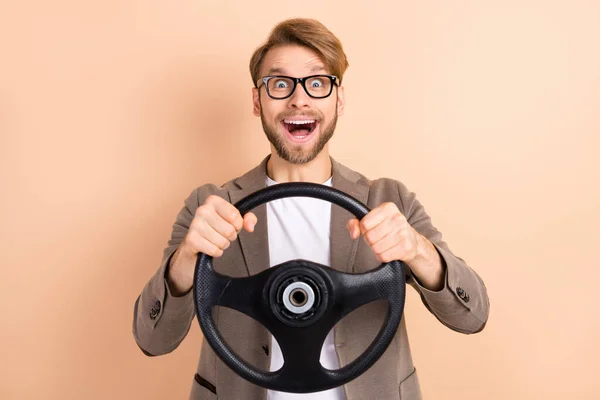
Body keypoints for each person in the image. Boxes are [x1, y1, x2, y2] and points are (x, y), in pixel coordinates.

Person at [132, 18, 489, 400]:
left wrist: (418, 250)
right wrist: (186, 258)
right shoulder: (211, 207)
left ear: (339, 100)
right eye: (279, 83)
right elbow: (153, 339)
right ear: (257, 101)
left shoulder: (388, 200)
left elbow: (472, 315)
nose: (299, 99)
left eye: (317, 83)